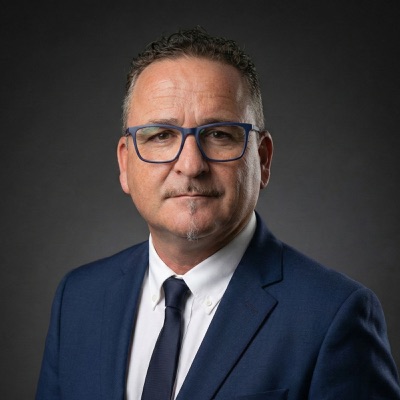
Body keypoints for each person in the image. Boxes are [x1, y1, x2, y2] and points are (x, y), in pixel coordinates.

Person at [36, 27, 400, 400]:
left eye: (219, 135)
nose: (191, 166)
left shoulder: (333, 315)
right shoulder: (78, 298)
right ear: (125, 164)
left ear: (263, 159)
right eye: (161, 135)